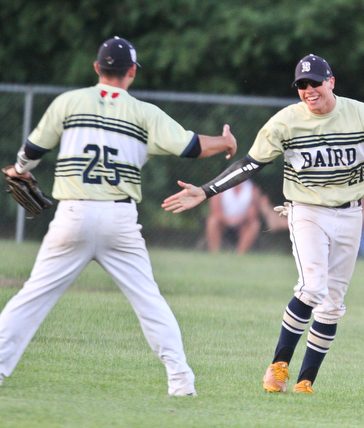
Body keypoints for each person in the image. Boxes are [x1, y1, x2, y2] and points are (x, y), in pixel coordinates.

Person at [162, 54, 364, 394]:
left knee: (333, 304)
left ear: (331, 82)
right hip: (307, 211)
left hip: (350, 214)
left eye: (315, 82)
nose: (308, 90)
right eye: (301, 85)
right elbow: (250, 164)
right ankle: (278, 366)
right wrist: (206, 190)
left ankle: (306, 382)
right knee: (313, 287)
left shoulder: (363, 116)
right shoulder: (285, 122)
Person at [0, 36, 237, 396]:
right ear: (131, 72)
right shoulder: (143, 113)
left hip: (73, 213)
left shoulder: (69, 102)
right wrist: (226, 143)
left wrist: (19, 169)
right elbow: (192, 146)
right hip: (119, 219)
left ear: (97, 68)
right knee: (148, 300)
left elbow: (33, 149)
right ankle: (180, 380)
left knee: (32, 297)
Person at [205, 180, 262, 254]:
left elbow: (253, 211)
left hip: (243, 221)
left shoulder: (252, 189)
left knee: (255, 224)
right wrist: (228, 219)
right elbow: (215, 209)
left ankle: (240, 254)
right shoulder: (219, 188)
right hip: (223, 221)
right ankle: (215, 252)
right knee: (212, 221)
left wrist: (240, 219)